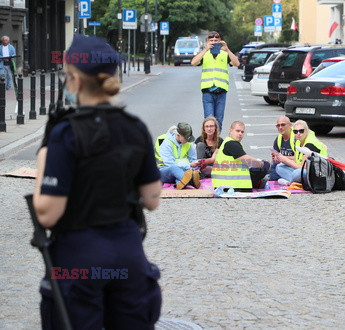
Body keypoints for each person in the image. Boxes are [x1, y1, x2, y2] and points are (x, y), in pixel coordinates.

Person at [33, 34, 162, 329]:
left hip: (79, 259)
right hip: (128, 255)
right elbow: (152, 200)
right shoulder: (134, 127)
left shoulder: (65, 133)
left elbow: (48, 213)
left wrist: (44, 156)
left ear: (76, 82)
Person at [191, 31, 240, 131]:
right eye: (211, 40)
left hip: (221, 91)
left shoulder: (224, 54)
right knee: (209, 120)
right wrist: (205, 49)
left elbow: (236, 63)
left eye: (216, 41)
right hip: (207, 91)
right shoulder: (205, 54)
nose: (213, 42)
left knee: (219, 120)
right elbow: (194, 62)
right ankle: (208, 143)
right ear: (207, 41)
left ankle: (216, 143)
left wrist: (228, 50)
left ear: (220, 41)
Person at [211, 120, 270, 191]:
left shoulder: (226, 142)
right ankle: (257, 183)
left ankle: (258, 183)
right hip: (235, 185)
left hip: (222, 184)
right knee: (265, 165)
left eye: (242, 132)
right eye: (237, 131)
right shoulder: (232, 144)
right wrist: (262, 163)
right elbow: (249, 162)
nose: (240, 134)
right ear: (230, 130)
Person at [275, 120, 328, 185]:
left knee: (298, 173)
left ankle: (290, 182)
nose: (298, 133)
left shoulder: (310, 144)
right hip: (304, 171)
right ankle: (296, 182)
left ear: (307, 131)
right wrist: (282, 158)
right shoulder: (298, 141)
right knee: (279, 167)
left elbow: (303, 168)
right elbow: (296, 159)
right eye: (295, 131)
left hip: (318, 173)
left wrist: (286, 160)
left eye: (301, 131)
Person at [155, 123, 201, 189]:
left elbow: (193, 159)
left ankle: (180, 183)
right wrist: (189, 165)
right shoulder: (167, 144)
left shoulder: (189, 143)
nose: (188, 140)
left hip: (183, 170)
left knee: (183, 173)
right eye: (186, 138)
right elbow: (170, 164)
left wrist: (196, 167)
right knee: (174, 168)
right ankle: (191, 181)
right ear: (178, 135)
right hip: (164, 172)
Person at [268, 116, 295, 181]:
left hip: (293, 166)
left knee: (275, 172)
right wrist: (275, 159)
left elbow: (299, 159)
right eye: (278, 125)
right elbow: (275, 159)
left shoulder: (296, 137)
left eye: (283, 125)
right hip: (282, 165)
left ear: (290, 125)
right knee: (265, 168)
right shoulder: (278, 139)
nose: (280, 127)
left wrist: (282, 158)